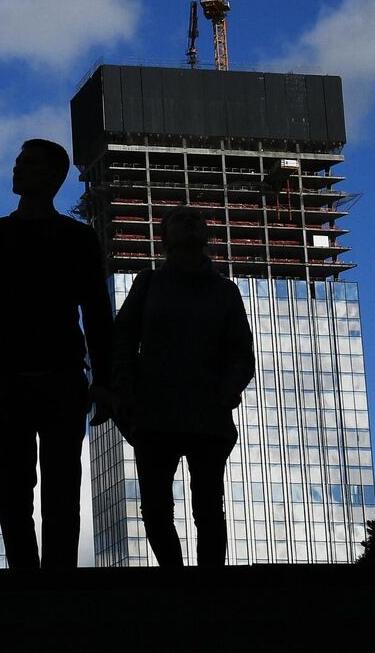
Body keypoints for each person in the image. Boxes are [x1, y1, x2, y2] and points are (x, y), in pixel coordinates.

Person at [0, 138, 115, 569]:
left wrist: (104, 381)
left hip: (52, 377)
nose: (16, 169)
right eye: (18, 162)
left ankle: (47, 576)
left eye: (26, 163)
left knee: (54, 486)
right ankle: (33, 575)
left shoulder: (69, 238)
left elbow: (97, 313)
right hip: (22, 378)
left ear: (52, 176)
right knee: (16, 486)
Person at [112, 205, 255, 568]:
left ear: (206, 235)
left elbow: (242, 353)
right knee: (155, 507)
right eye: (178, 219)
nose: (189, 221)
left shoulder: (225, 291)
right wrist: (126, 396)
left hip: (207, 412)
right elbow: (121, 341)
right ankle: (173, 577)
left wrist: (226, 390)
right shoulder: (148, 283)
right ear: (164, 238)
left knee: (209, 505)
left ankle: (209, 582)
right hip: (155, 411)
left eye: (196, 218)